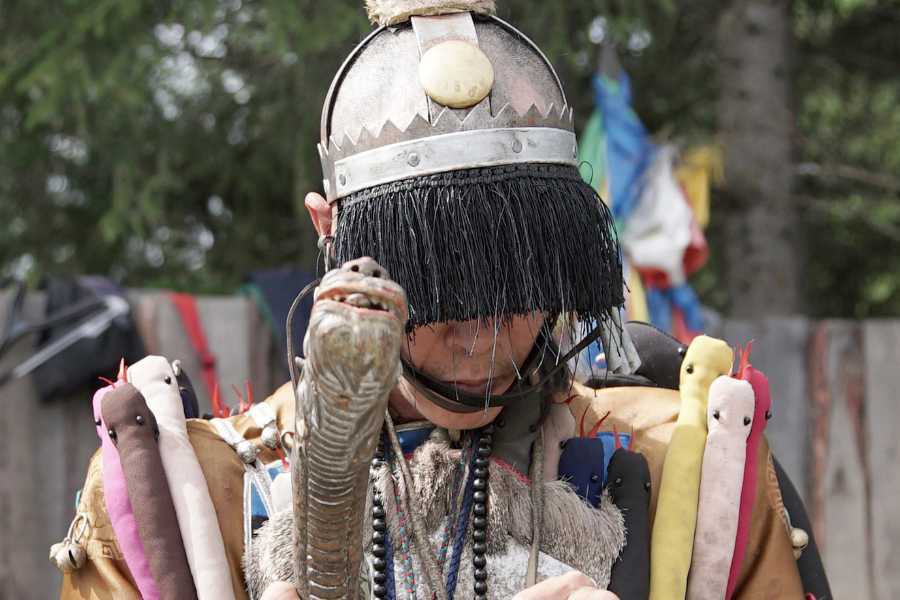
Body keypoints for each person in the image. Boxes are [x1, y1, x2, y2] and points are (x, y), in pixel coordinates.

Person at [59, 1, 825, 599]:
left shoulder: (687, 464)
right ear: (329, 232)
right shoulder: (202, 490)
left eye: (518, 278)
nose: (484, 340)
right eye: (440, 282)